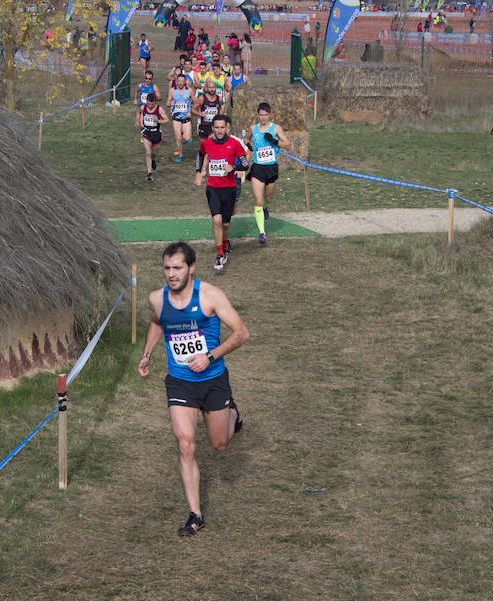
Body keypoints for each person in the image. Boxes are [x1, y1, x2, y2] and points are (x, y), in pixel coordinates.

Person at [138, 241, 249, 537]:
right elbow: (157, 322)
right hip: (180, 381)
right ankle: (195, 514)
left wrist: (210, 356)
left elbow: (241, 333)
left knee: (219, 444)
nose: (171, 274)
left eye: (177, 268)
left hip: (213, 379)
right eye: (167, 268)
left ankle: (233, 413)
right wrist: (147, 354)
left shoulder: (211, 296)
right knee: (186, 445)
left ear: (191, 268)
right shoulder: (156, 299)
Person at [194, 115, 249, 271]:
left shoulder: (234, 144)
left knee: (225, 223)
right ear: (213, 128)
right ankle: (219, 254)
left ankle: (224, 245)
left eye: (222, 127)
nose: (219, 130)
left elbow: (245, 164)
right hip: (212, 188)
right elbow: (201, 155)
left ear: (227, 128)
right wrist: (199, 172)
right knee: (216, 221)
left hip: (229, 188)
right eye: (216, 127)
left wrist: (234, 168)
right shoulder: (207, 143)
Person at [245, 102, 291, 245]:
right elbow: (246, 138)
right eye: (261, 115)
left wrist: (274, 141)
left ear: (269, 115)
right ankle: (262, 233)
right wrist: (247, 144)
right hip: (257, 168)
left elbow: (288, 144)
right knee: (258, 200)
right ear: (257, 114)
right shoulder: (253, 128)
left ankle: (265, 207)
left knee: (268, 198)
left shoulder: (276, 128)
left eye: (266, 115)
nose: (263, 118)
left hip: (271, 168)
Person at [136, 92, 169, 181]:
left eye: (152, 104)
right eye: (149, 104)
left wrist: (158, 120)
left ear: (155, 102)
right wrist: (138, 121)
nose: (150, 106)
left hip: (156, 133)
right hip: (146, 132)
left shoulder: (159, 109)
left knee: (154, 153)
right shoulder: (143, 107)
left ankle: (153, 160)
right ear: (146, 101)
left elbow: (167, 120)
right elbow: (139, 112)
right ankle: (149, 173)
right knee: (148, 152)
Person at [167, 74, 193, 162]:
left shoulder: (189, 91)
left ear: (185, 82)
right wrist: (170, 103)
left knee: (187, 138)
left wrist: (191, 112)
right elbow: (168, 102)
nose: (181, 83)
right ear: (176, 82)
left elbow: (196, 102)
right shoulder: (172, 91)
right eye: (179, 81)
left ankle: (186, 137)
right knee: (178, 137)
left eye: (182, 81)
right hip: (176, 117)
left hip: (186, 117)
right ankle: (181, 155)